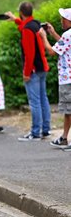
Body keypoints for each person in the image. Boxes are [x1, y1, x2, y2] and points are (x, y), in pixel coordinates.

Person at [4, 2, 51, 141]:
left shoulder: (27, 30)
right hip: (42, 67)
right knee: (43, 99)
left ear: (21, 12)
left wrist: (26, 73)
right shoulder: (36, 24)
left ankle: (35, 132)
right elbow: (25, 26)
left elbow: (29, 54)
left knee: (34, 101)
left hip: (34, 70)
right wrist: (15, 20)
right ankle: (46, 130)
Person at [42, 8, 71, 150]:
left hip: (68, 79)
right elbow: (64, 44)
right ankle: (64, 138)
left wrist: (43, 37)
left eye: (63, 18)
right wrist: (52, 33)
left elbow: (52, 51)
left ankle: (65, 138)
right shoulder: (68, 35)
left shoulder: (68, 34)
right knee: (68, 111)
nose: (61, 21)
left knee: (68, 110)